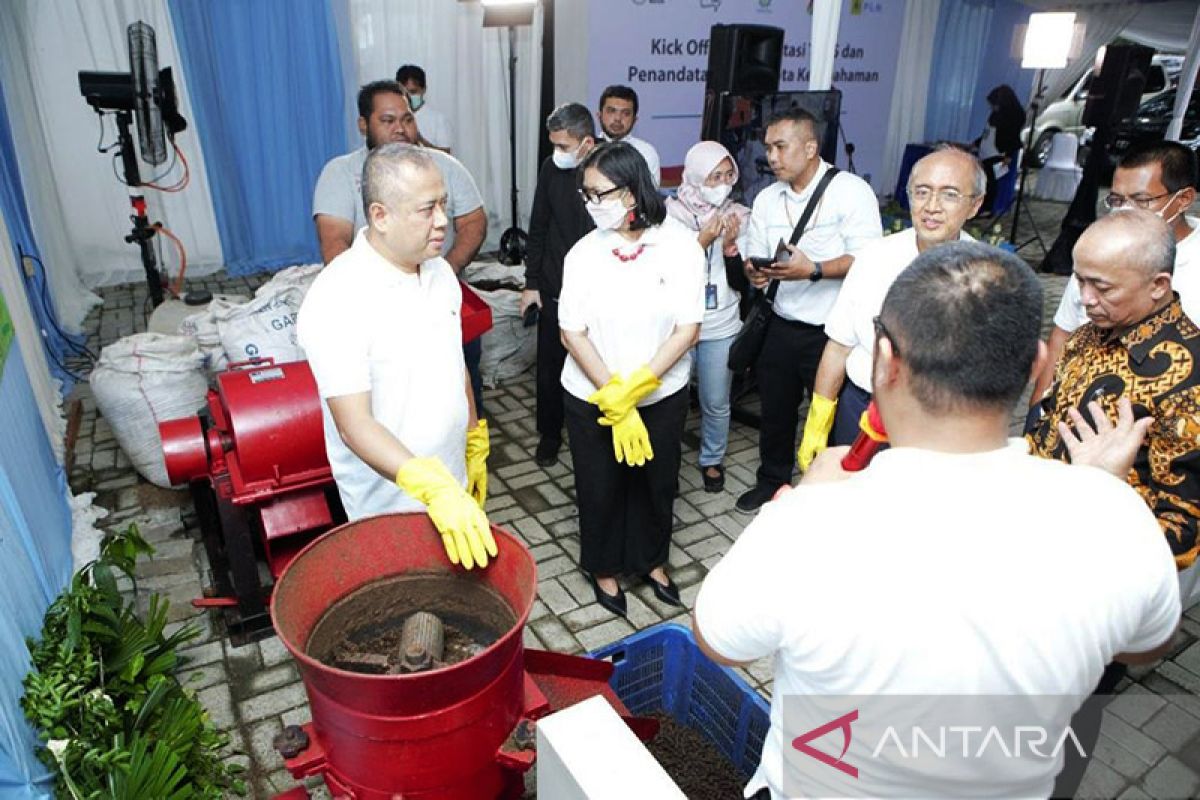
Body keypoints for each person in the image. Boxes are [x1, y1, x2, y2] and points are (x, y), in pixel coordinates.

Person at [694, 241, 1180, 800]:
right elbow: (1146, 643)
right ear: (1036, 367)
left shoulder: (807, 528)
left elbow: (718, 641)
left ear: (882, 361)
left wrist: (803, 498)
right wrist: (1096, 492)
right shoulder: (1115, 517)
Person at [1025, 210, 1197, 797]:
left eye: (1102, 286)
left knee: (1070, 713)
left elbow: (1182, 529)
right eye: (1079, 280)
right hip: (1033, 556)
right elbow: (1047, 420)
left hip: (1094, 587)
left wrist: (1101, 492)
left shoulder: (1190, 378)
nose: (1084, 297)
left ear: (1158, 287)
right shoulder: (1094, 333)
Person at [298, 144, 496, 571]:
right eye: (427, 209)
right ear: (381, 215)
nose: (443, 221)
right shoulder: (338, 297)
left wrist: (473, 434)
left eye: (444, 204)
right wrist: (432, 488)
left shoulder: (439, 272)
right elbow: (355, 425)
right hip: (389, 505)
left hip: (451, 484)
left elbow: (454, 359)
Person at [559, 142, 705, 616]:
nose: (591, 204)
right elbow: (571, 332)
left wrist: (638, 386)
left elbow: (688, 328)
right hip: (592, 394)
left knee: (655, 482)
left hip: (661, 393)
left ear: (632, 191)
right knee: (599, 483)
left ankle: (651, 561)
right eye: (587, 195)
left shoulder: (680, 245)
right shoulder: (583, 252)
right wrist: (613, 394)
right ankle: (603, 567)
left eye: (599, 194)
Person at [798, 146, 984, 469]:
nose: (932, 206)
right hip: (861, 407)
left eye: (950, 195)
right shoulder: (874, 257)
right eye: (922, 192)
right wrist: (818, 419)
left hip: (939, 421)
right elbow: (838, 348)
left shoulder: (988, 274)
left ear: (974, 205)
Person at [736, 107, 882, 513]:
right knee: (776, 411)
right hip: (780, 323)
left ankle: (826, 492)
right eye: (768, 148)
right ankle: (772, 482)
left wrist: (814, 270)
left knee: (830, 415)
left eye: (780, 147)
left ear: (811, 146)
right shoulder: (767, 197)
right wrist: (755, 271)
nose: (772, 157)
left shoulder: (850, 191)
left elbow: (868, 259)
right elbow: (755, 250)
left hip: (832, 333)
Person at [312, 80, 488, 416]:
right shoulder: (341, 172)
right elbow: (334, 241)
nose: (400, 129)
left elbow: (474, 222)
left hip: (440, 296)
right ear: (364, 124)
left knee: (461, 382)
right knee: (396, 401)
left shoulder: (444, 166)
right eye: (388, 120)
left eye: (407, 119)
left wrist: (445, 269)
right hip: (375, 308)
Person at [1031, 141, 1200, 404]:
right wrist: (1035, 414)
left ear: (1183, 199)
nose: (1125, 211)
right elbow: (1062, 334)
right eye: (1117, 200)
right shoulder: (1103, 247)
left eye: (1141, 200)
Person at [665, 140, 750, 492]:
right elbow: (665, 273)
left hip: (722, 323)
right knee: (669, 398)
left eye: (729, 175)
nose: (724, 184)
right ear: (697, 177)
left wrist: (730, 248)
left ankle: (712, 458)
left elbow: (745, 282)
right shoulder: (670, 216)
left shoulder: (740, 216)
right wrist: (701, 241)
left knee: (715, 400)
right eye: (715, 176)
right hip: (677, 324)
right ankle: (665, 458)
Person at [522, 103, 597, 467]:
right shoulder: (551, 169)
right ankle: (550, 434)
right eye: (553, 145)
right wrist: (531, 282)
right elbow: (538, 225)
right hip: (555, 285)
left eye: (564, 146)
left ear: (587, 143)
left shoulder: (609, 172)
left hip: (598, 294)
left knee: (596, 365)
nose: (557, 154)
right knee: (550, 367)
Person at [597, 85, 661, 186]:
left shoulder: (646, 153)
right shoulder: (589, 149)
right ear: (599, 116)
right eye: (611, 111)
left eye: (625, 113)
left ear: (634, 120)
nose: (618, 118)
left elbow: (648, 198)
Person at [977, 84, 1025, 215]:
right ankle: (984, 206)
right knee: (986, 181)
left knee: (992, 182)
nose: (992, 107)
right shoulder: (995, 115)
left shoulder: (1014, 116)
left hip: (999, 153)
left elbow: (1012, 137)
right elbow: (987, 132)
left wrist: (1008, 155)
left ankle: (989, 208)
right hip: (986, 151)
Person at [395, 64, 454, 153]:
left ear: (424, 89)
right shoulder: (391, 118)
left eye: (413, 92)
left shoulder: (438, 120)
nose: (408, 97)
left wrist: (420, 140)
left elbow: (445, 155)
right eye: (403, 93)